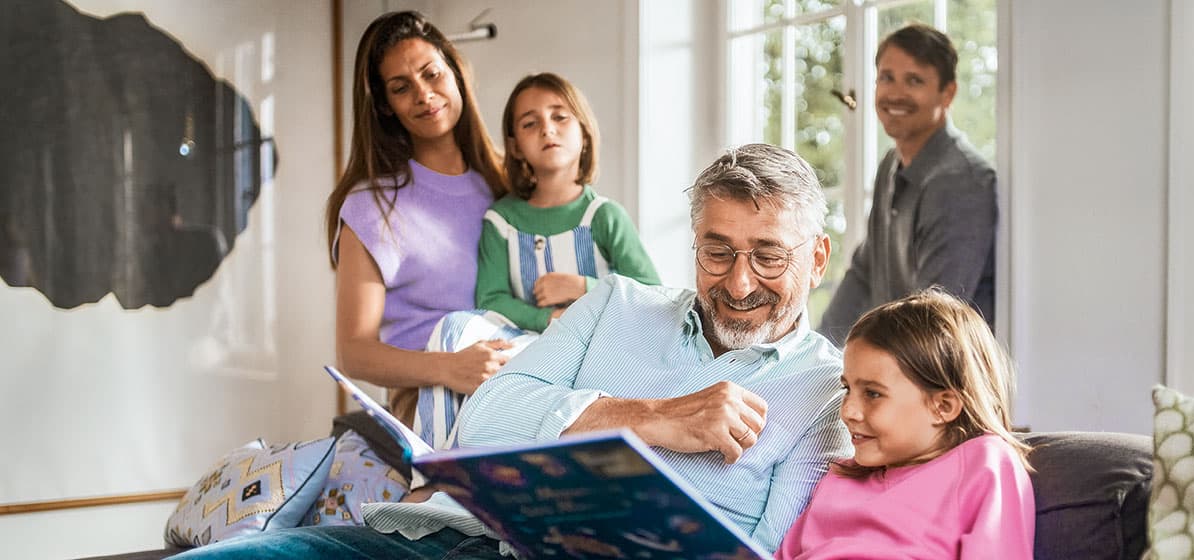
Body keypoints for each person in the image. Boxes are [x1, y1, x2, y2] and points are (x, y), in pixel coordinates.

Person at [173, 144, 852, 559]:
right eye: (718, 250)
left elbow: (767, 549)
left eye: (768, 256)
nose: (738, 282)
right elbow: (484, 419)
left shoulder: (828, 392)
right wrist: (649, 417)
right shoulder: (615, 303)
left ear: (817, 257)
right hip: (448, 539)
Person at [324, 10, 512, 425]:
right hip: (431, 398)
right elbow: (354, 352)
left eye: (432, 74)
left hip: (519, 378)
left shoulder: (505, 184)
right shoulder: (371, 205)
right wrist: (449, 368)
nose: (424, 95)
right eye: (401, 87)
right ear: (386, 106)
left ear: (455, 72)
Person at [778, 290, 1034, 559]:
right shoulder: (840, 476)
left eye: (873, 394)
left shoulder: (985, 463)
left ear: (943, 406)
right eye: (847, 389)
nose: (848, 411)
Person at [819, 23, 998, 345]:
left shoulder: (961, 182)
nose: (895, 93)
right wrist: (820, 353)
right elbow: (863, 273)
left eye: (914, 80)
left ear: (948, 93)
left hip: (941, 375)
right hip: (898, 364)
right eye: (886, 78)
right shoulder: (891, 165)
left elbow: (934, 315)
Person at [477, 72, 660, 332]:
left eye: (560, 117)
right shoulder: (500, 220)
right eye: (529, 123)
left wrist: (583, 287)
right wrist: (550, 319)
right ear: (515, 147)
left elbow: (651, 294)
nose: (547, 129)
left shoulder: (606, 216)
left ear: (584, 133)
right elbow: (491, 300)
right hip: (526, 353)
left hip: (601, 349)